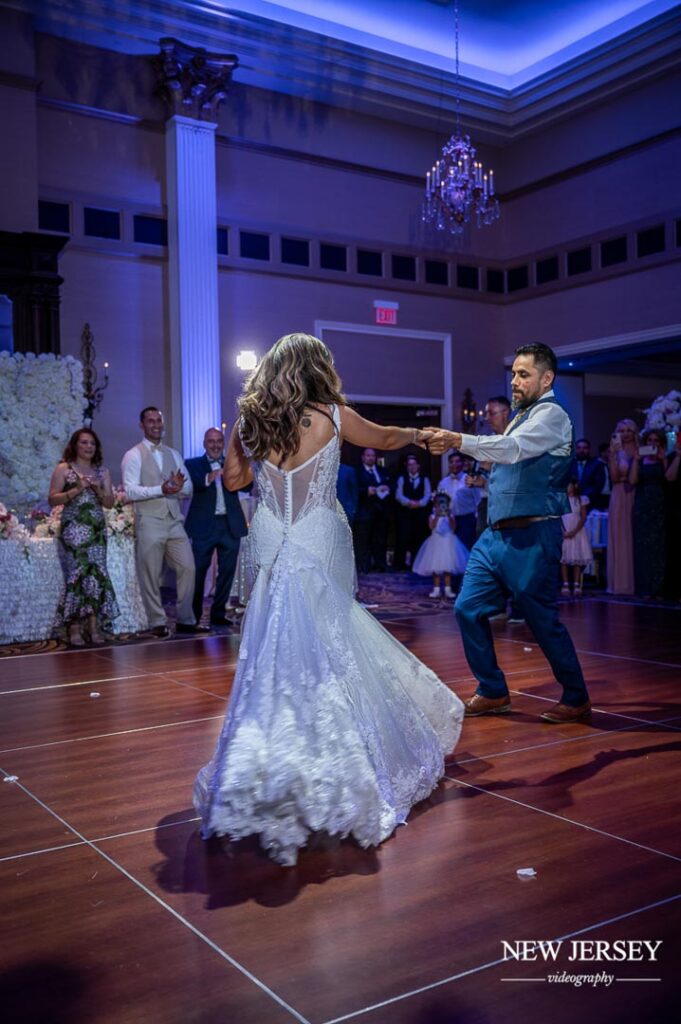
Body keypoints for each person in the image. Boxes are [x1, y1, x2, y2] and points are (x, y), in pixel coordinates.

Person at [193, 332, 463, 866]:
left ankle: (270, 766)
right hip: (318, 535)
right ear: (317, 367)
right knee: (334, 642)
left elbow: (234, 479)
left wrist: (238, 433)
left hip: (272, 538)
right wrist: (418, 434)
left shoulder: (252, 423)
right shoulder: (332, 415)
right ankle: (342, 768)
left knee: (274, 652)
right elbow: (384, 440)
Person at [426, 343, 591, 724]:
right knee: (467, 608)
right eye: (513, 373)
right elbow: (505, 461)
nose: (514, 381)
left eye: (523, 374)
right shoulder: (520, 416)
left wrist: (456, 439)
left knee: (540, 621)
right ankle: (493, 690)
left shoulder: (552, 416)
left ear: (546, 378)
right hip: (494, 536)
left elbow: (513, 450)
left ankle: (576, 696)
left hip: (533, 535)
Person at [121, 406, 205, 638]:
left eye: (159, 420)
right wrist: (161, 489)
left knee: (188, 567)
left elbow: (188, 487)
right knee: (150, 573)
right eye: (151, 421)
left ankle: (186, 618)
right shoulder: (133, 454)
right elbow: (129, 491)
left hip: (174, 521)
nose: (156, 425)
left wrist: (177, 488)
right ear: (142, 425)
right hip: (149, 520)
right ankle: (157, 620)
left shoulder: (173, 454)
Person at [48, 427, 119, 646]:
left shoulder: (102, 472)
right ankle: (74, 627)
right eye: (84, 443)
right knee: (77, 574)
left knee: (97, 574)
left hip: (96, 529)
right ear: (75, 445)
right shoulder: (64, 469)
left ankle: (93, 626)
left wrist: (98, 490)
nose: (88, 447)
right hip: (74, 529)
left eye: (92, 443)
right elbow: (52, 499)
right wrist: (75, 490)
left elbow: (109, 503)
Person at [184, 428, 248, 626]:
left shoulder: (232, 463)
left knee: (227, 571)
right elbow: (193, 485)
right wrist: (210, 477)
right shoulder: (193, 463)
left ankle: (218, 614)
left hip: (229, 525)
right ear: (204, 443)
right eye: (211, 441)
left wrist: (240, 469)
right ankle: (193, 615)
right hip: (204, 526)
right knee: (198, 572)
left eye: (219, 441)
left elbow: (246, 487)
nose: (215, 445)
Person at [631, 428, 668, 598]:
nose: (652, 443)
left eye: (656, 441)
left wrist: (663, 459)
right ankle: (644, 588)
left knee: (659, 546)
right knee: (642, 545)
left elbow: (669, 479)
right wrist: (636, 461)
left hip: (660, 505)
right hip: (642, 505)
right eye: (650, 440)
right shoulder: (641, 460)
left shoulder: (664, 459)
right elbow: (632, 481)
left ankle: (659, 587)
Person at [412, 491, 468, 599]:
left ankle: (448, 589)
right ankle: (436, 589)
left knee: (448, 567)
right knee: (435, 568)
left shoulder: (450, 515)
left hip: (448, 542)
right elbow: (431, 527)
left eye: (444, 503)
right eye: (438, 503)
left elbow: (453, 528)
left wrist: (449, 516)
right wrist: (437, 516)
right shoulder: (432, 515)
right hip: (436, 542)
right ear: (435, 504)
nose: (441, 505)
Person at [606, 419, 638, 595]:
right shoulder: (616, 451)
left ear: (634, 432)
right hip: (619, 494)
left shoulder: (643, 448)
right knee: (620, 537)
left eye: (629, 430)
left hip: (639, 494)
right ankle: (620, 584)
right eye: (622, 430)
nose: (625, 434)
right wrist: (613, 456)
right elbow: (615, 478)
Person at [354, 447, 392, 572]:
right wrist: (366, 491)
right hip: (364, 512)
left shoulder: (382, 471)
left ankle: (380, 564)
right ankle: (364, 566)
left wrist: (387, 488)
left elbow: (392, 484)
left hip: (381, 512)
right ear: (363, 457)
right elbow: (354, 490)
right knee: (363, 540)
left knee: (380, 539)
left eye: (373, 456)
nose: (371, 458)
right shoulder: (357, 472)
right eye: (368, 455)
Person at [394, 453, 432, 569]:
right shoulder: (401, 478)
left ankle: (417, 565)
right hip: (405, 514)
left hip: (420, 514)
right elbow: (398, 495)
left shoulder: (425, 479)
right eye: (409, 465)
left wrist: (419, 503)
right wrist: (409, 502)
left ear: (418, 466)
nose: (412, 467)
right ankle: (400, 565)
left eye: (414, 464)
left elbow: (428, 495)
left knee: (419, 538)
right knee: (403, 539)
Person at [436, 452, 480, 550]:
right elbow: (441, 502)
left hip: (467, 520)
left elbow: (478, 499)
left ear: (462, 463)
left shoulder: (469, 479)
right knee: (451, 551)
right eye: (451, 462)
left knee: (466, 548)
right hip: (449, 520)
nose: (454, 464)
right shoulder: (443, 483)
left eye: (457, 461)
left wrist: (475, 518)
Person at [560, 479, 593, 597]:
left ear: (575, 486)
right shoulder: (561, 499)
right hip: (564, 531)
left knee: (576, 558)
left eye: (568, 484)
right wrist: (564, 531)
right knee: (564, 558)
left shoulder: (581, 500)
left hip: (577, 532)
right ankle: (565, 584)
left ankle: (576, 584)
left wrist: (574, 531)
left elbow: (583, 518)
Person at [573, 438, 607, 509]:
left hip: (591, 502)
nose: (581, 450)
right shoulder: (570, 464)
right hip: (572, 502)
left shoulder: (597, 464)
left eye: (585, 448)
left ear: (589, 450)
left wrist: (583, 496)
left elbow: (598, 485)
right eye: (579, 448)